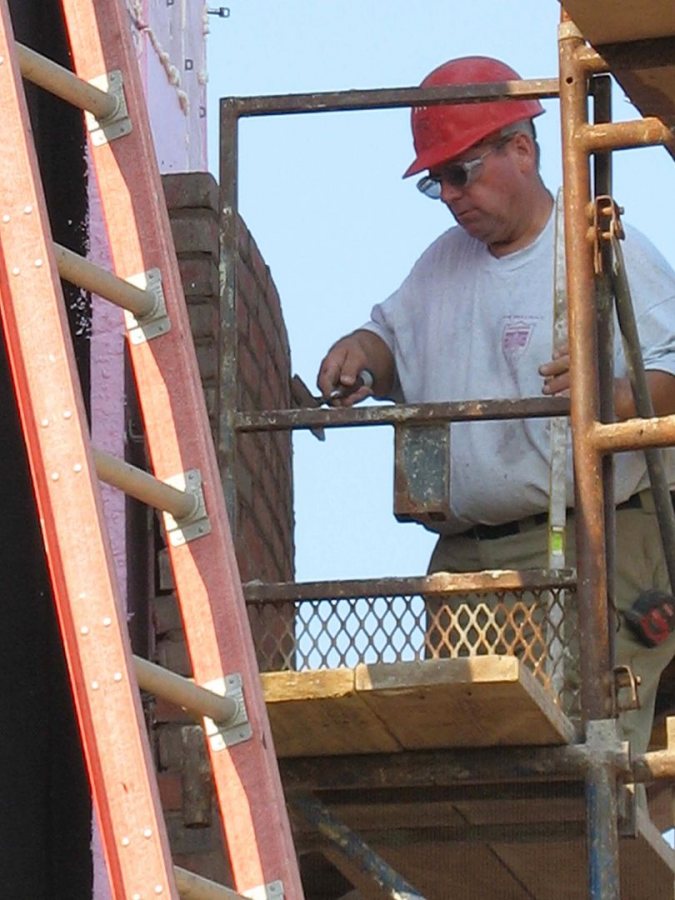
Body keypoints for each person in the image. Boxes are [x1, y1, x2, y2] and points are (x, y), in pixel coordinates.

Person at [317, 56, 675, 763]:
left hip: (592, 546)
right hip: (469, 562)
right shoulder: (441, 264)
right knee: (477, 762)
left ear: (521, 148)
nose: (450, 194)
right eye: (435, 181)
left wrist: (615, 395)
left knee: (586, 761)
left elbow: (671, 372)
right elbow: (392, 339)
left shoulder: (601, 248)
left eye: (462, 170)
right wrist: (360, 351)